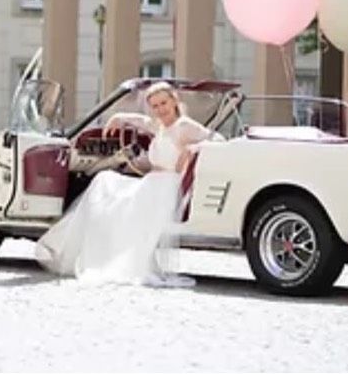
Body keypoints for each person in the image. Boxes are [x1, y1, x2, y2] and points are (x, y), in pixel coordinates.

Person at [34, 82, 216, 287]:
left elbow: (218, 139)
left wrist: (194, 148)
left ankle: (98, 257)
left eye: (164, 103)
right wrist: (118, 118)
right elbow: (141, 121)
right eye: (155, 106)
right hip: (151, 183)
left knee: (111, 198)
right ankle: (75, 249)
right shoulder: (160, 125)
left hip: (165, 188)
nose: (160, 110)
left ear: (174, 101)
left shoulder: (184, 126)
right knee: (103, 182)